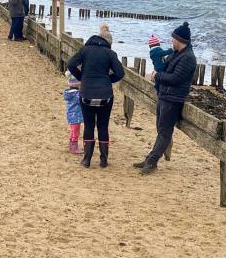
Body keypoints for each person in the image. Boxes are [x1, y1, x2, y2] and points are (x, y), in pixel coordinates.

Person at [134, 22, 197, 175]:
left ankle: (152, 161)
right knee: (160, 129)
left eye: (173, 39)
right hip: (164, 95)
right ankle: (150, 158)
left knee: (164, 132)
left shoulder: (188, 57)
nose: (171, 42)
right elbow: (166, 69)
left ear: (179, 40)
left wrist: (157, 76)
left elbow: (175, 78)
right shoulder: (176, 53)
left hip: (173, 99)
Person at [67, 24, 125, 168]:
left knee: (89, 125)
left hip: (87, 93)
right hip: (105, 95)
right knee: (103, 126)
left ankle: (86, 160)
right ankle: (103, 160)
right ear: (108, 43)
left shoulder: (85, 50)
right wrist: (107, 80)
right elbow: (120, 73)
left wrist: (82, 77)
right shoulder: (110, 53)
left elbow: (70, 64)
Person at [63, 71, 84, 154]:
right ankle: (74, 147)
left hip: (70, 115)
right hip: (76, 116)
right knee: (75, 131)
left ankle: (71, 146)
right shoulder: (77, 95)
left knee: (72, 131)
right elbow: (82, 101)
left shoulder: (68, 94)